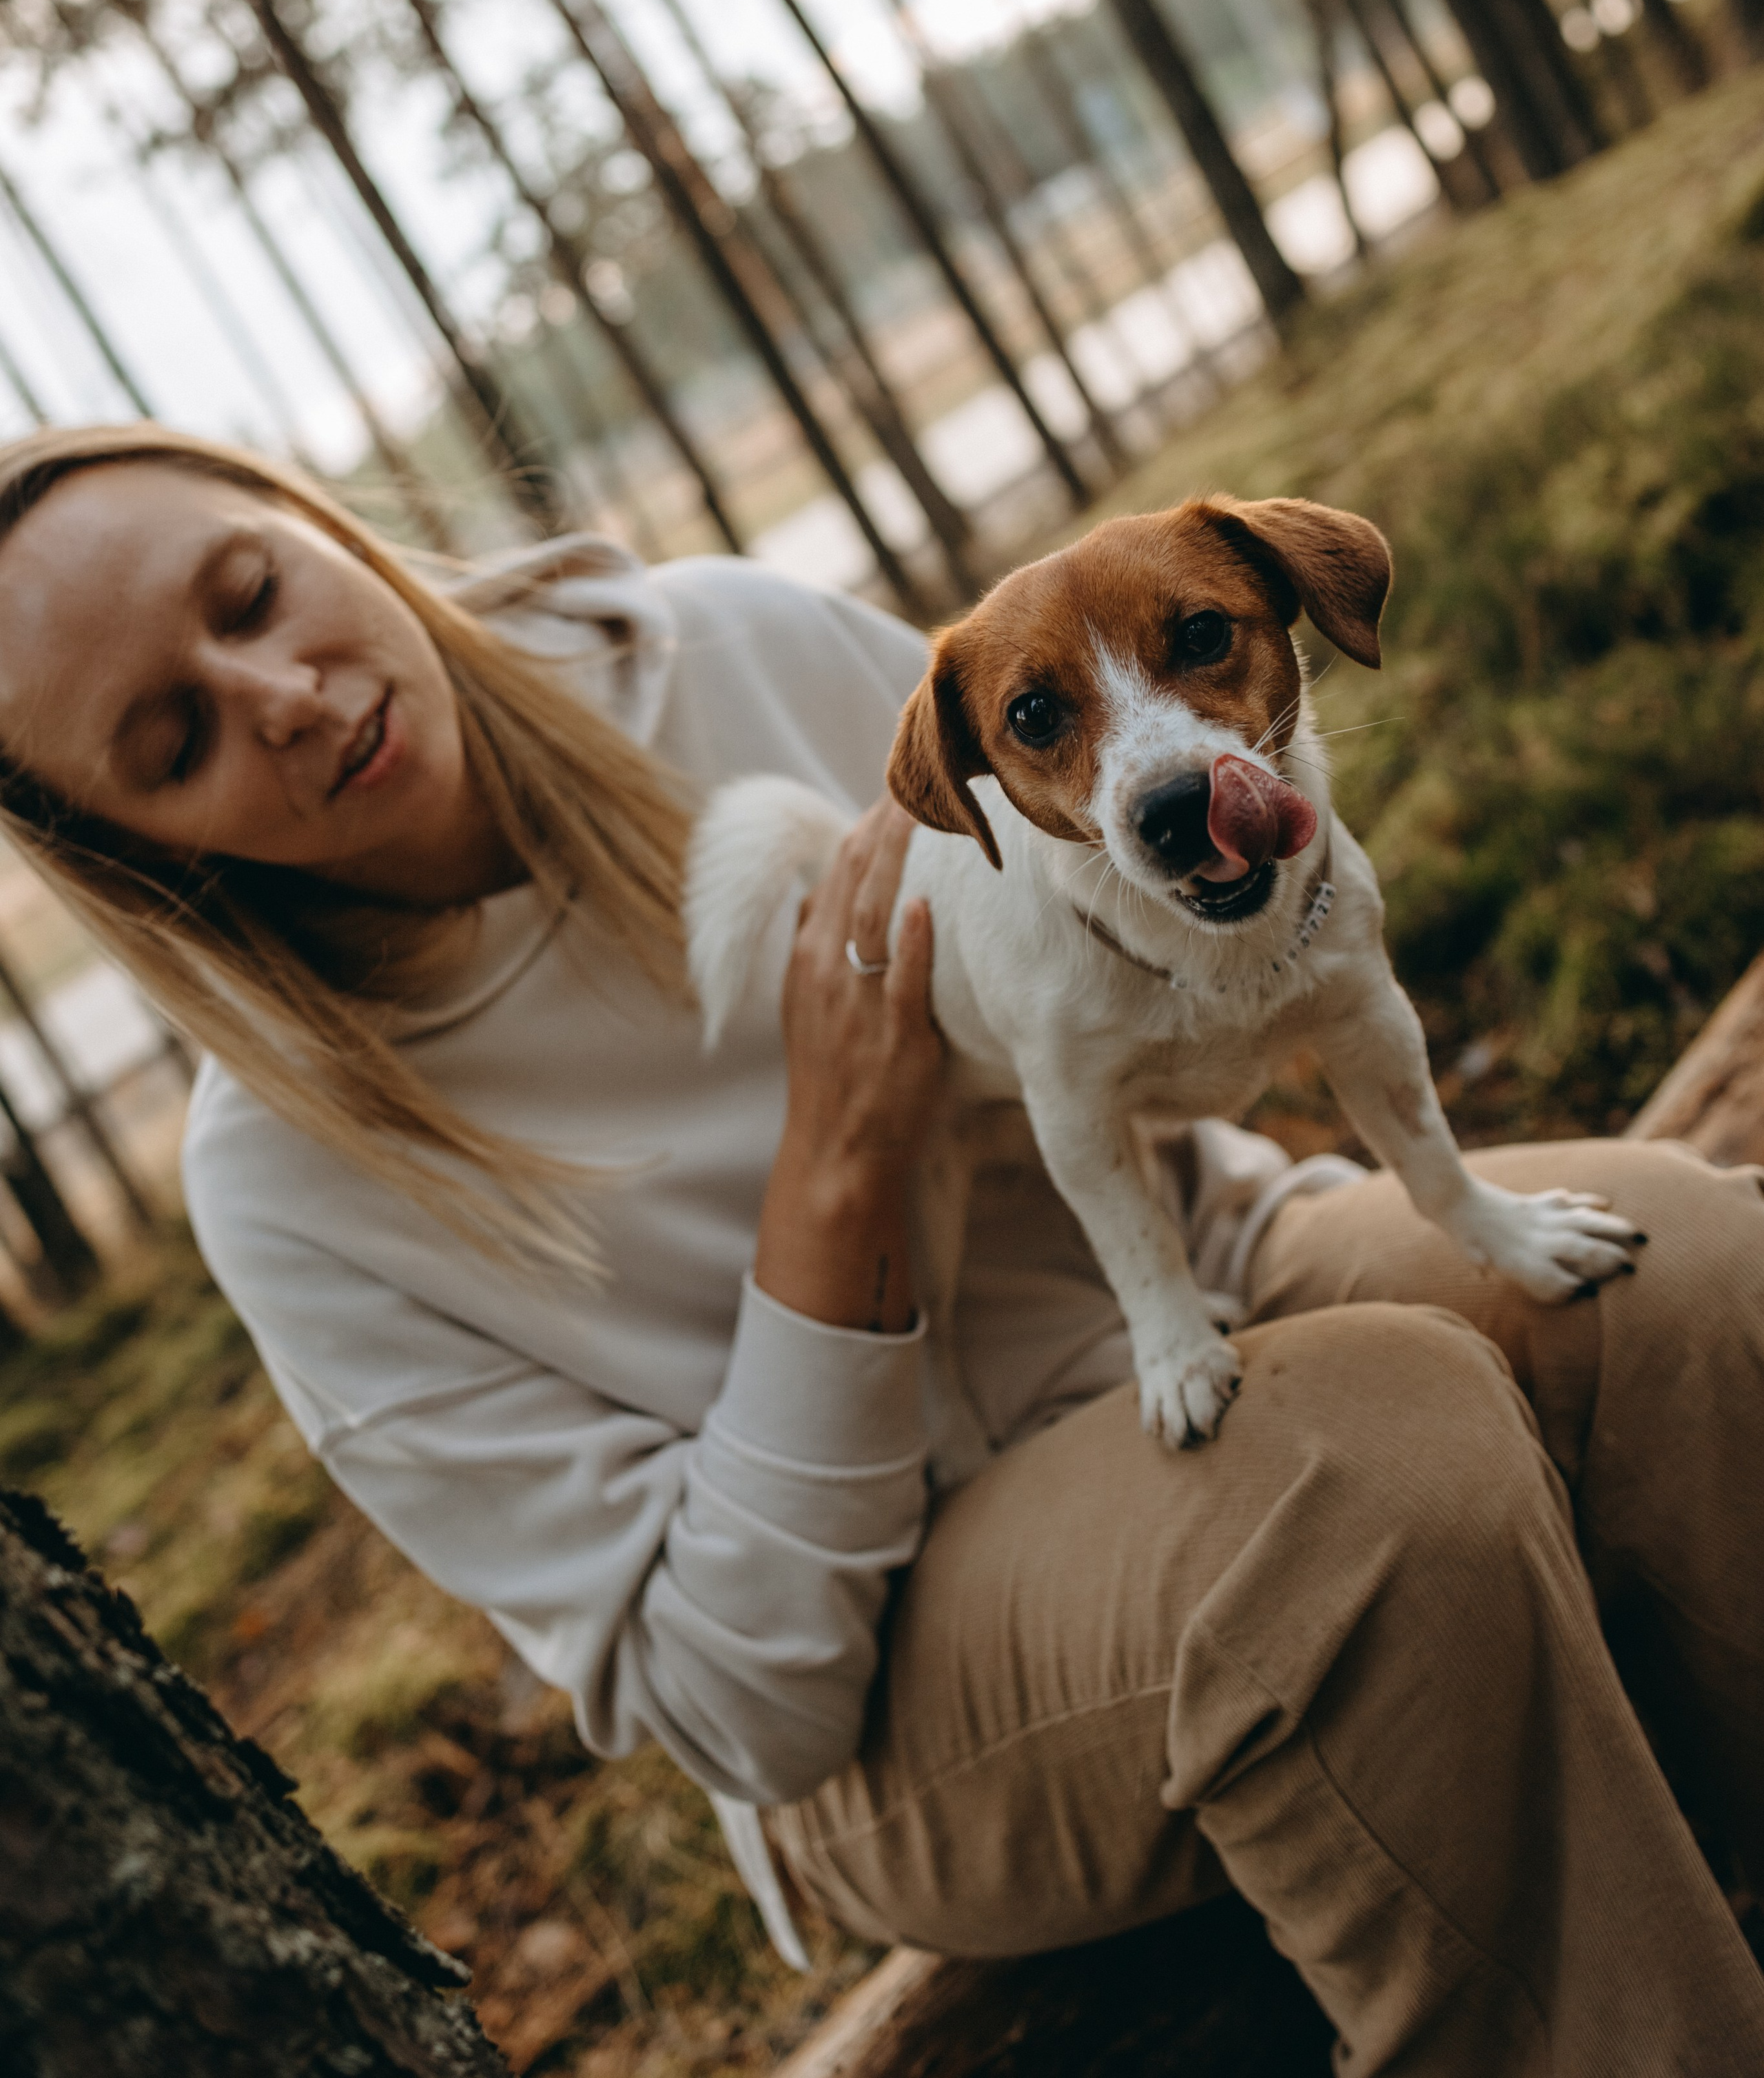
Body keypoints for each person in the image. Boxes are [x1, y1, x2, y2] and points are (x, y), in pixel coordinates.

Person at [1, 419, 1761, 2077]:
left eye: (250, 593)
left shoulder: (717, 645)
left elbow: (1111, 943)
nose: (284, 695)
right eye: (172, 741)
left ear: (315, 522)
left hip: (1205, 1289)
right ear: (133, 848)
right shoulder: (284, 1181)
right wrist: (834, 1182)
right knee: (1368, 1478)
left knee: (1675, 1275)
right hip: (891, 1672)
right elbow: (733, 1705)